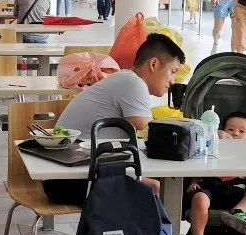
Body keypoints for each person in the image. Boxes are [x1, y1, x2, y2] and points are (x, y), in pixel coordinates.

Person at [42, 34, 186, 206]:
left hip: (68, 173)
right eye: (172, 72)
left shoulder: (125, 79)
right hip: (69, 180)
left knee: (158, 182)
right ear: (153, 64)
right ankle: (164, 233)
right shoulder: (132, 83)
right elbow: (150, 131)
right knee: (156, 187)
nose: (172, 81)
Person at [183, 113, 246, 235]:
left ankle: (237, 212)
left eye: (242, 131)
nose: (235, 133)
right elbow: (197, 163)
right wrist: (193, 182)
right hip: (212, 189)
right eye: (230, 129)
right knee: (199, 197)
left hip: (237, 191)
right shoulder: (213, 145)